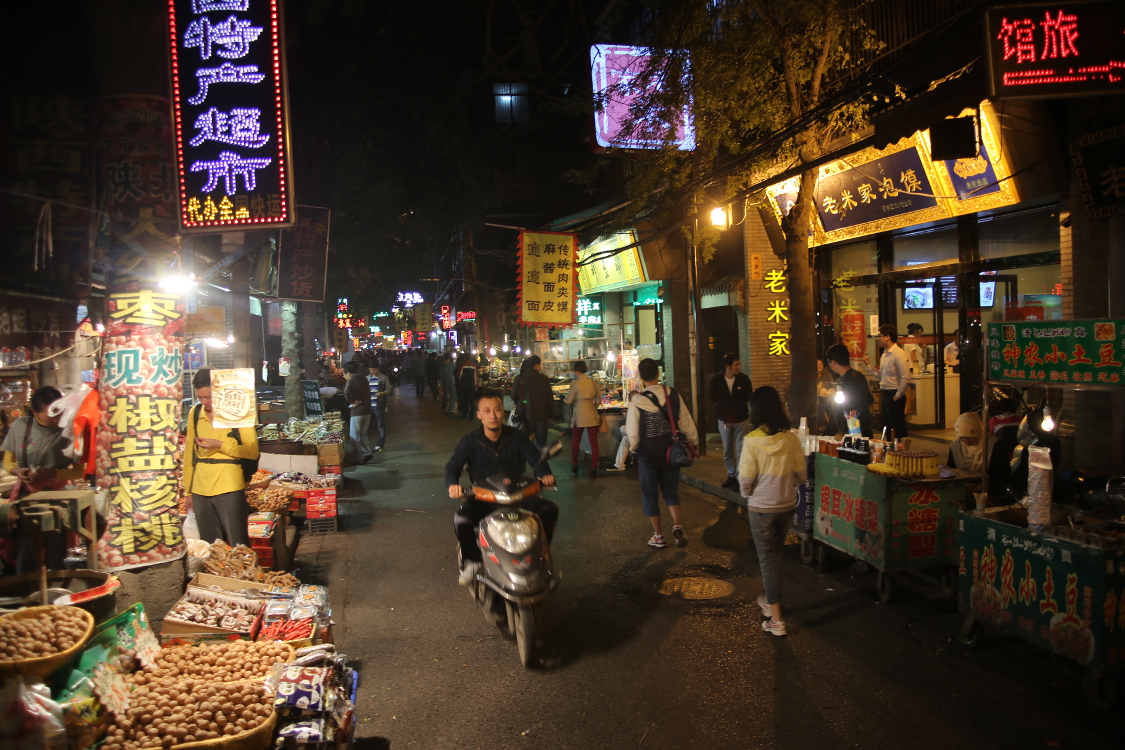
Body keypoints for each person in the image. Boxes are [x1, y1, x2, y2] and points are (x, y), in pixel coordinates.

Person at [445, 389, 557, 584]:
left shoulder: (517, 437)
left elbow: (535, 458)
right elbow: (452, 466)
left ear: (503, 412)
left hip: (517, 495)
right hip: (484, 497)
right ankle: (472, 561)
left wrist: (544, 473)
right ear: (479, 414)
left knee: (549, 510)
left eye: (497, 410)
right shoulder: (469, 441)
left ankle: (540, 553)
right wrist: (453, 484)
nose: (493, 415)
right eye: (487, 411)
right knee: (462, 518)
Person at [738, 385, 807, 637]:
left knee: (767, 560)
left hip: (762, 508)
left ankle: (776, 620)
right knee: (775, 556)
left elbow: (745, 480)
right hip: (786, 505)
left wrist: (748, 493)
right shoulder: (790, 438)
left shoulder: (751, 441)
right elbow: (801, 475)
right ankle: (769, 598)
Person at [0, 386, 81, 574]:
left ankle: (58, 585)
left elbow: (79, 471)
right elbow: (8, 462)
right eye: (50, 415)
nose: (56, 419)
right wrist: (18, 472)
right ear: (35, 412)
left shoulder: (70, 430)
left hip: (59, 499)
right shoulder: (21, 426)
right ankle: (28, 586)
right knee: (26, 548)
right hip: (27, 496)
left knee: (58, 551)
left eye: (59, 412)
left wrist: (52, 474)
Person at [626, 358, 698, 548]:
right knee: (671, 492)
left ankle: (658, 536)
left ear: (641, 377)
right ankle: (677, 525)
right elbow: (685, 420)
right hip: (670, 453)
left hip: (648, 455)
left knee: (650, 495)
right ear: (658, 374)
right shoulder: (673, 394)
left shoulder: (637, 401)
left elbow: (633, 432)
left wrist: (634, 450)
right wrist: (694, 441)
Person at [183, 369, 258, 547]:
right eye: (200, 397)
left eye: (208, 397)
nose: (204, 402)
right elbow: (189, 454)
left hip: (229, 486)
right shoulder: (195, 413)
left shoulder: (237, 411)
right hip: (200, 488)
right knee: (210, 547)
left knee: (239, 544)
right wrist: (188, 492)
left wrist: (219, 445)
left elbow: (252, 452)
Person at [707, 353, 752, 490]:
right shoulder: (717, 380)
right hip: (724, 419)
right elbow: (712, 396)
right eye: (736, 364)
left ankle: (739, 477)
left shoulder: (743, 379)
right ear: (728, 366)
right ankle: (731, 475)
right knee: (727, 449)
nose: (739, 367)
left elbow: (748, 395)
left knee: (741, 449)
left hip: (741, 419)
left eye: (739, 364)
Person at [864, 324, 911, 441]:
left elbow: (905, 377)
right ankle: (890, 448)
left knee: (897, 427)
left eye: (879, 336)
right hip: (885, 392)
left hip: (894, 393)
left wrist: (897, 396)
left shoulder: (899, 353)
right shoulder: (885, 354)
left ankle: (900, 449)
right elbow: (882, 376)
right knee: (887, 425)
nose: (877, 339)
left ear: (887, 337)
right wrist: (868, 365)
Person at [825, 344, 873, 437]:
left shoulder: (846, 381)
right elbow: (870, 399)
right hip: (865, 426)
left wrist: (827, 434)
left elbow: (841, 410)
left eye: (828, 362)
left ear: (833, 362)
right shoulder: (859, 375)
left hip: (854, 430)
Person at [565, 360, 602, 478]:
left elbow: (569, 401)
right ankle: (594, 467)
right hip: (591, 413)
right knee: (594, 443)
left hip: (579, 414)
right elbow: (599, 400)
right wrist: (593, 407)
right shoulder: (593, 382)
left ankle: (575, 465)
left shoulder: (575, 384)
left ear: (576, 371)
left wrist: (563, 399)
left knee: (576, 441)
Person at [516, 355, 554, 449]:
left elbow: (514, 395)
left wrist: (520, 403)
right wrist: (551, 414)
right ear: (537, 365)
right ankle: (539, 458)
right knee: (541, 444)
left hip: (525, 415)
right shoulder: (544, 379)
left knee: (524, 442)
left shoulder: (520, 378)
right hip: (542, 416)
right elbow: (550, 398)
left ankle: (526, 457)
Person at [344, 363, 373, 463]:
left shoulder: (351, 380)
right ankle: (367, 453)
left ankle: (358, 458)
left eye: (344, 375)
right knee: (363, 434)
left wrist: (352, 402)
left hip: (357, 412)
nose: (344, 377)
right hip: (367, 410)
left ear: (349, 373)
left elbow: (346, 393)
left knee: (354, 435)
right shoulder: (363, 378)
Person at [368, 361, 390, 453]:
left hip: (379, 405)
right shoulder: (367, 378)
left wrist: (382, 393)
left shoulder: (383, 378)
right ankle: (365, 446)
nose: (373, 372)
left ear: (378, 369)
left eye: (374, 370)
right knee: (367, 426)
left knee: (380, 426)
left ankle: (379, 446)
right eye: (371, 370)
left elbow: (389, 389)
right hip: (369, 406)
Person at [456, 353, 479, 419]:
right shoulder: (474, 365)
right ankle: (472, 415)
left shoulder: (462, 365)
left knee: (465, 400)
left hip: (464, 385)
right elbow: (476, 376)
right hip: (472, 385)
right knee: (472, 400)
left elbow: (459, 375)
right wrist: (476, 385)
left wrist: (461, 381)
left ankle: (465, 414)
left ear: (464, 358)